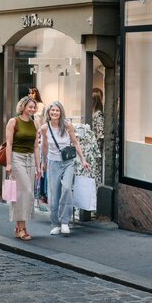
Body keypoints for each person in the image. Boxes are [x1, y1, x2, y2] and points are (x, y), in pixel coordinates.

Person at [40, 100, 90, 236]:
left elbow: (75, 142)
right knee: (53, 193)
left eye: (57, 110)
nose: (55, 112)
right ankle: (56, 223)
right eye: (52, 110)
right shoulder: (45, 128)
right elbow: (44, 147)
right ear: (48, 113)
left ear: (61, 112)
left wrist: (83, 159)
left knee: (67, 188)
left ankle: (65, 222)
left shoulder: (67, 125)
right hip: (53, 163)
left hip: (68, 162)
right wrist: (43, 162)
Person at [5, 96, 39, 241]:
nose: (32, 109)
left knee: (22, 193)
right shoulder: (13, 122)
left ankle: (19, 227)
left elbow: (36, 146)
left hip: (30, 159)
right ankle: (22, 228)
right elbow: (9, 144)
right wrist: (9, 163)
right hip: (17, 158)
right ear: (23, 106)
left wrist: (38, 165)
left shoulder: (35, 124)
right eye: (30, 107)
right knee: (26, 191)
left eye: (34, 107)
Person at [28, 87, 47, 204]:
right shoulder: (28, 106)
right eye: (29, 93)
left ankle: (40, 193)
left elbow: (43, 121)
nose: (31, 95)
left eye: (33, 92)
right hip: (30, 135)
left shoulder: (41, 106)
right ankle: (33, 191)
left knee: (39, 164)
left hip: (40, 136)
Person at [91, 88, 105, 181]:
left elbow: (101, 133)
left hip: (97, 147)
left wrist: (97, 149)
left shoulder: (98, 114)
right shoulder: (94, 113)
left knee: (97, 169)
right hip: (94, 145)